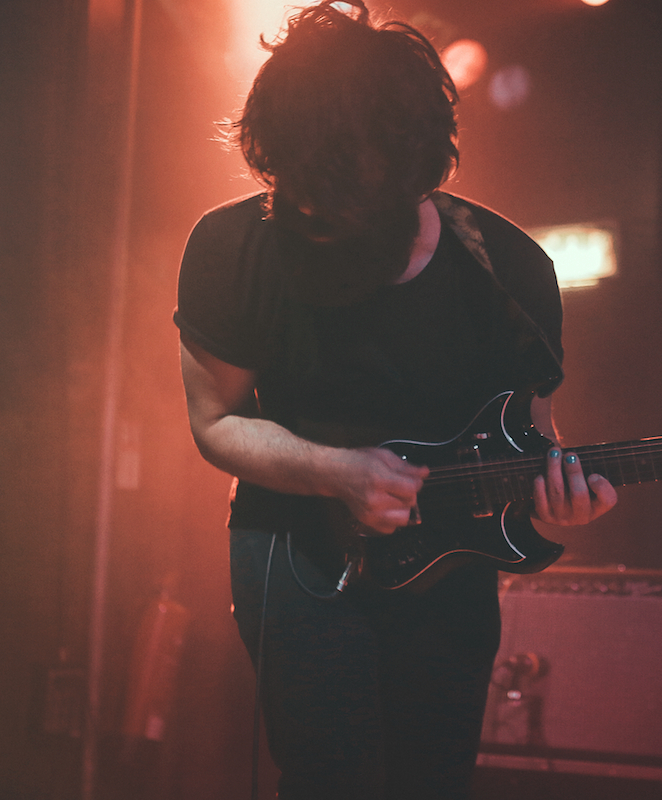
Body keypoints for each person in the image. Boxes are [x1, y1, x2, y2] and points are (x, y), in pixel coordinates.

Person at [173, 2, 617, 798]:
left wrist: (560, 499)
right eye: (297, 194)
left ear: (407, 168)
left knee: (434, 779)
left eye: (336, 203)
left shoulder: (510, 274)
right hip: (297, 547)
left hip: (449, 576)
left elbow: (536, 443)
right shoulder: (233, 245)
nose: (310, 218)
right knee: (326, 777)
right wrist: (336, 472)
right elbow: (215, 422)